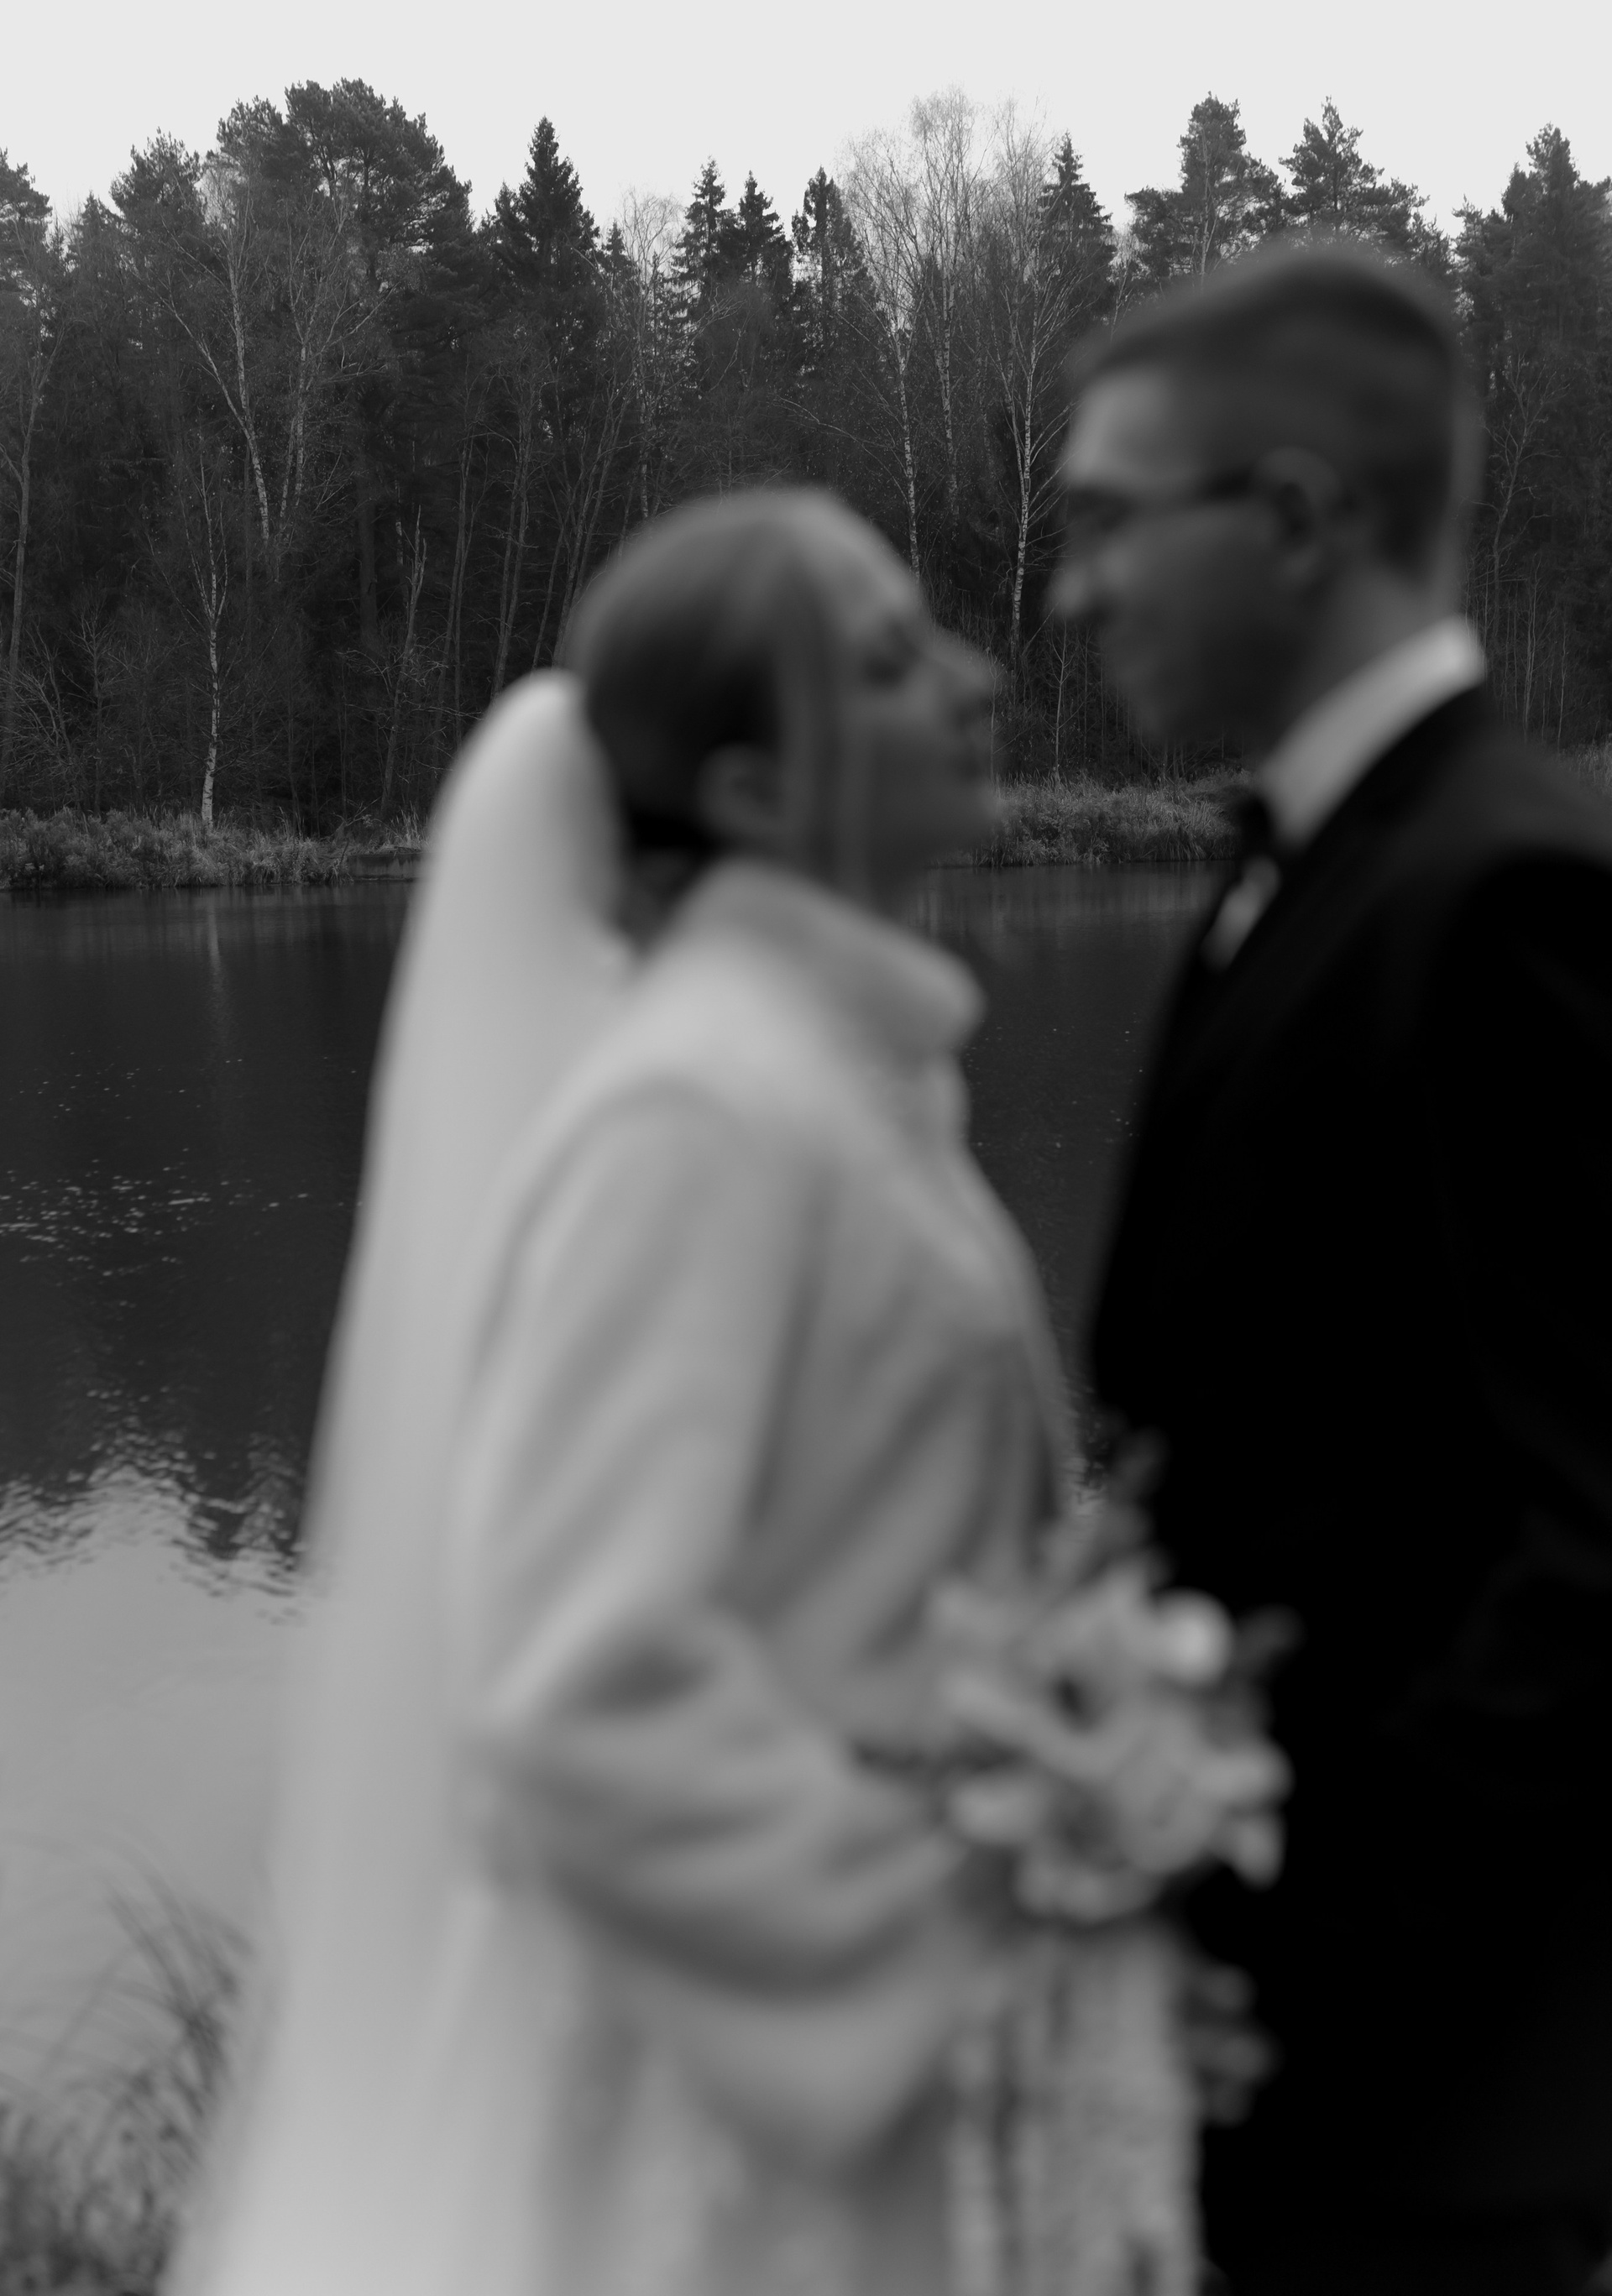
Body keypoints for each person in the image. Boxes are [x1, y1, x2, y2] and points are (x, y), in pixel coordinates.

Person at [171, 489, 1070, 2296]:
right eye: (891, 659)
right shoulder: (697, 1113)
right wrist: (956, 1942)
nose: (977, 678)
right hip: (751, 2151)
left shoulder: (829, 1078)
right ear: (751, 789)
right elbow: (581, 1690)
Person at [1056, 243, 1612, 2294]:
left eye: (1114, 521)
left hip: (1415, 2106)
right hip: (1293, 2087)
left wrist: (1282, 1937)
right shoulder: (1311, 862)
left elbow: (1592, 1551)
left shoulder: (1507, 894)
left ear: (1297, 515)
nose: (1075, 591)